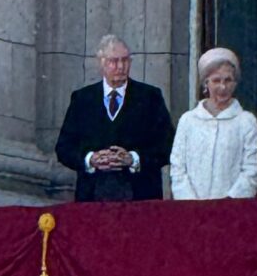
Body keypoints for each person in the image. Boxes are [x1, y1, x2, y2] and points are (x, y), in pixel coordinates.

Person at [54, 35, 175, 203]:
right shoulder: (82, 99)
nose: (120, 67)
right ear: (101, 63)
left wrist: (133, 158)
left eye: (125, 61)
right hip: (93, 198)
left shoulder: (150, 97)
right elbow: (64, 148)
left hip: (141, 197)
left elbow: (168, 145)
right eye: (114, 61)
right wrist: (91, 159)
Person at [168, 47, 257, 200]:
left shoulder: (246, 121)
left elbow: (251, 171)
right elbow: (178, 168)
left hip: (232, 212)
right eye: (216, 80)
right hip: (192, 212)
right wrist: (191, 204)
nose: (223, 87)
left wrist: (228, 203)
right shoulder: (188, 121)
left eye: (228, 80)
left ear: (235, 83)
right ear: (206, 83)